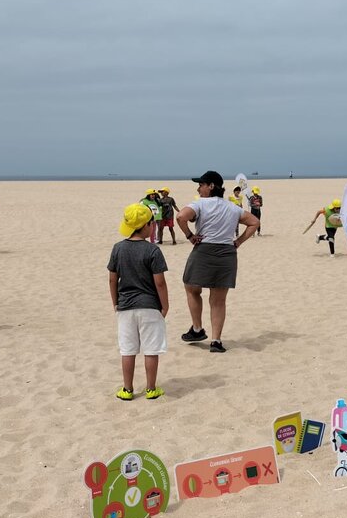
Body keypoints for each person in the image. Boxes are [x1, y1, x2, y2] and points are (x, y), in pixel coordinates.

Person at [176, 170, 259, 353]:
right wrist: (238, 242)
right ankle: (216, 341)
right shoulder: (233, 207)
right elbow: (254, 222)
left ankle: (197, 329)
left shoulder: (200, 203)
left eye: (201, 185)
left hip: (204, 250)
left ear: (211, 186)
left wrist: (189, 235)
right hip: (227, 253)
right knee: (218, 300)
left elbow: (181, 217)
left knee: (191, 288)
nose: (198, 188)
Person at [108, 204, 169, 400]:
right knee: (151, 350)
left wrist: (115, 302)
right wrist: (165, 305)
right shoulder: (153, 250)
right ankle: (151, 389)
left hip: (125, 306)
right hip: (149, 305)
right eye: (151, 223)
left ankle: (127, 389)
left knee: (128, 350)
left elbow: (112, 279)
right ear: (146, 225)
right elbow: (160, 282)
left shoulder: (118, 248)